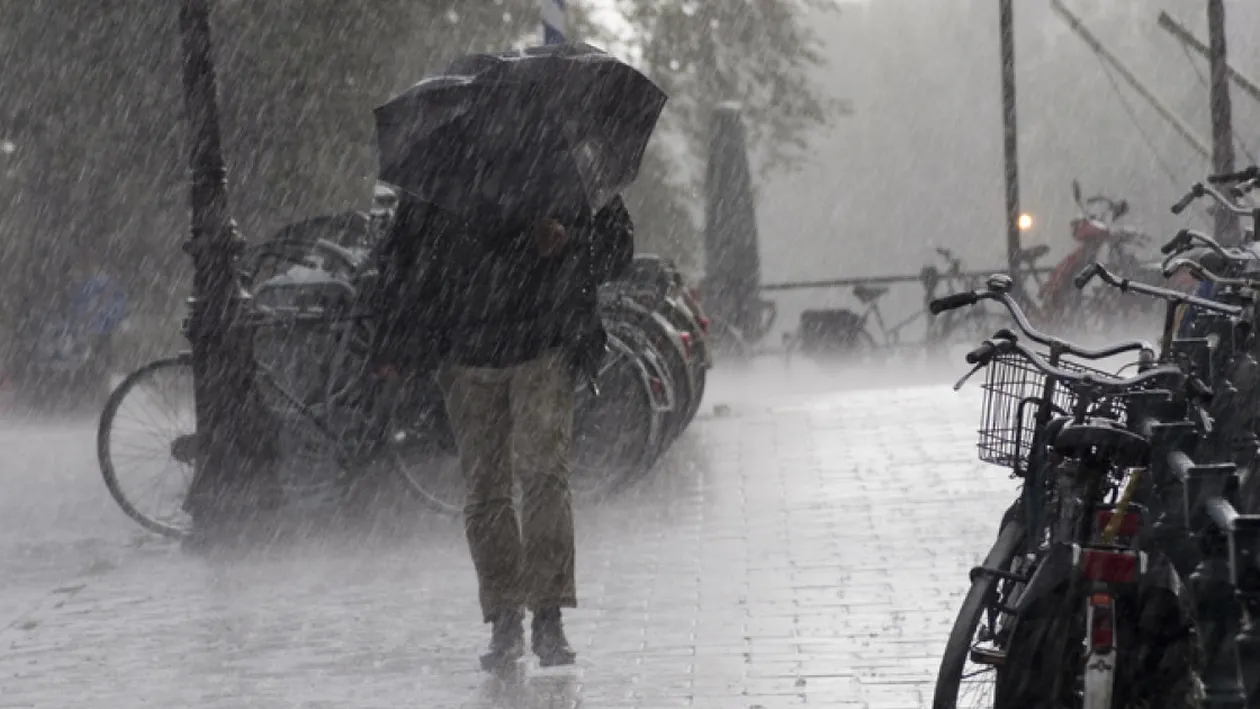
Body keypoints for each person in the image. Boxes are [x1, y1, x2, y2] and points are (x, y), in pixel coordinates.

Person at [371, 190, 634, 670]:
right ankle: (506, 618)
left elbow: (617, 250)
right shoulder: (446, 166)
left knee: (542, 479)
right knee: (488, 488)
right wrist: (395, 340)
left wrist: (568, 241)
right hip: (467, 352)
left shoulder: (562, 160)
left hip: (542, 344)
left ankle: (547, 617)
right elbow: (403, 257)